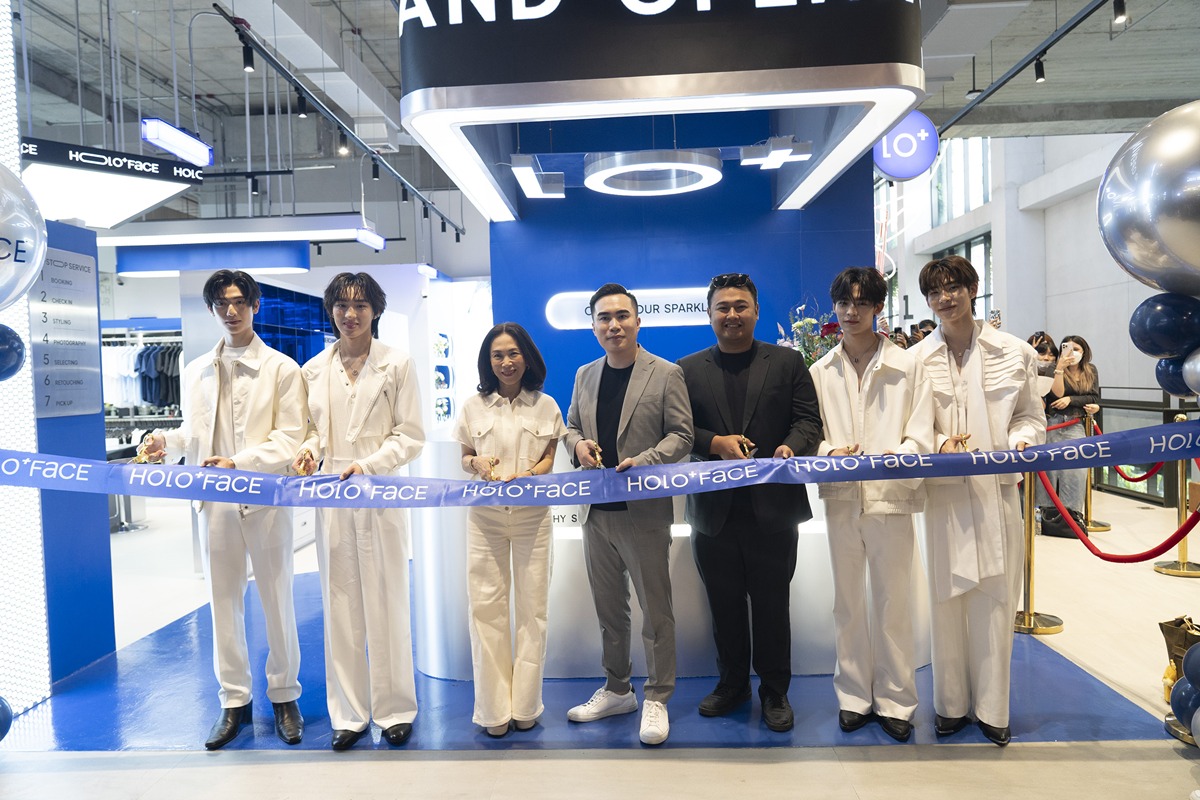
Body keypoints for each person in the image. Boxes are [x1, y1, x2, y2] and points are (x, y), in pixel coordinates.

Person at [141, 269, 307, 750]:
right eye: (221, 304)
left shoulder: (282, 369)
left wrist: (240, 462)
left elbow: (290, 438)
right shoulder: (196, 369)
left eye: (238, 302)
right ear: (212, 309)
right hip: (213, 502)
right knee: (223, 604)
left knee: (277, 599)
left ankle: (285, 696)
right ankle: (234, 701)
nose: (230, 311)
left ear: (255, 305)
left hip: (264, 499)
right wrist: (164, 442)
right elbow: (191, 433)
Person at [909, 255, 1046, 746]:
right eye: (935, 292)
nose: (945, 299)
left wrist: (1022, 442)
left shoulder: (1014, 352)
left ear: (972, 289)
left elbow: (1030, 416)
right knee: (945, 600)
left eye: (953, 288)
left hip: (997, 492)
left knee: (996, 598)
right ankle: (949, 706)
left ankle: (993, 710)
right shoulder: (916, 359)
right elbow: (911, 425)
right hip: (943, 495)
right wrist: (937, 442)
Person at [677, 273, 822, 733]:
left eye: (741, 306)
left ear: (756, 311)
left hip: (773, 509)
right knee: (724, 606)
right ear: (710, 314)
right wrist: (713, 442)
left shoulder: (787, 362)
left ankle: (775, 691)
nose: (732, 315)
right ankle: (732, 684)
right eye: (723, 307)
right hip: (713, 513)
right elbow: (678, 430)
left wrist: (790, 447)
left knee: (773, 605)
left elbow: (809, 421)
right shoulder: (687, 369)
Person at [292, 272, 424, 751]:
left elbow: (410, 434)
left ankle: (395, 711)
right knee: (340, 604)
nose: (350, 314)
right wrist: (308, 451)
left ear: (375, 311)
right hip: (332, 494)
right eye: (342, 306)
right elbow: (310, 429)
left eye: (360, 305)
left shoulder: (398, 364)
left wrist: (369, 465)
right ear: (330, 310)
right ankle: (348, 714)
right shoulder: (312, 370)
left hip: (381, 491)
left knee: (387, 601)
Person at [563, 283, 693, 746]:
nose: (613, 325)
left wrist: (647, 460)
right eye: (604, 317)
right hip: (596, 512)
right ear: (593, 325)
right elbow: (571, 426)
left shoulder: (666, 373)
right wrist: (577, 445)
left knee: (656, 611)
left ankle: (658, 696)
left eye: (622, 316)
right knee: (609, 610)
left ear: (638, 321)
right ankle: (618, 689)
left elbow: (682, 435)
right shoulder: (585, 374)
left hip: (645, 512)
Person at [808, 267, 934, 742]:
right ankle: (853, 696)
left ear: (878, 307)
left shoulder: (908, 366)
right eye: (844, 302)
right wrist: (828, 454)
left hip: (892, 498)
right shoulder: (820, 370)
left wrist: (897, 458)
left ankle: (897, 700)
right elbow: (812, 433)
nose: (851, 311)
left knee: (893, 603)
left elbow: (921, 431)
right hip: (842, 499)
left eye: (861, 303)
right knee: (847, 603)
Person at [454, 323, 564, 738]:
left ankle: (526, 705)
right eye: (497, 355)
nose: (506, 362)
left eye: (513, 353)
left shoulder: (546, 406)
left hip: (533, 516)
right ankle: (493, 710)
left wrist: (529, 475)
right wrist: (477, 464)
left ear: (527, 358)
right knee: (486, 610)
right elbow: (465, 456)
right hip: (485, 518)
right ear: (488, 361)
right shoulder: (473, 406)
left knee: (533, 610)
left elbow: (549, 459)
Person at [1035, 334, 1101, 516]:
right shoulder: (1054, 368)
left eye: (1076, 349)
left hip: (1075, 422)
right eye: (1068, 349)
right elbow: (1056, 394)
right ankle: (1044, 514)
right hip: (1053, 421)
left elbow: (1093, 396)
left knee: (1076, 470)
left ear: (1084, 351)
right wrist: (1060, 368)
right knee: (1048, 470)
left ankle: (1072, 515)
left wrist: (1071, 400)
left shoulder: (1090, 370)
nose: (1072, 353)